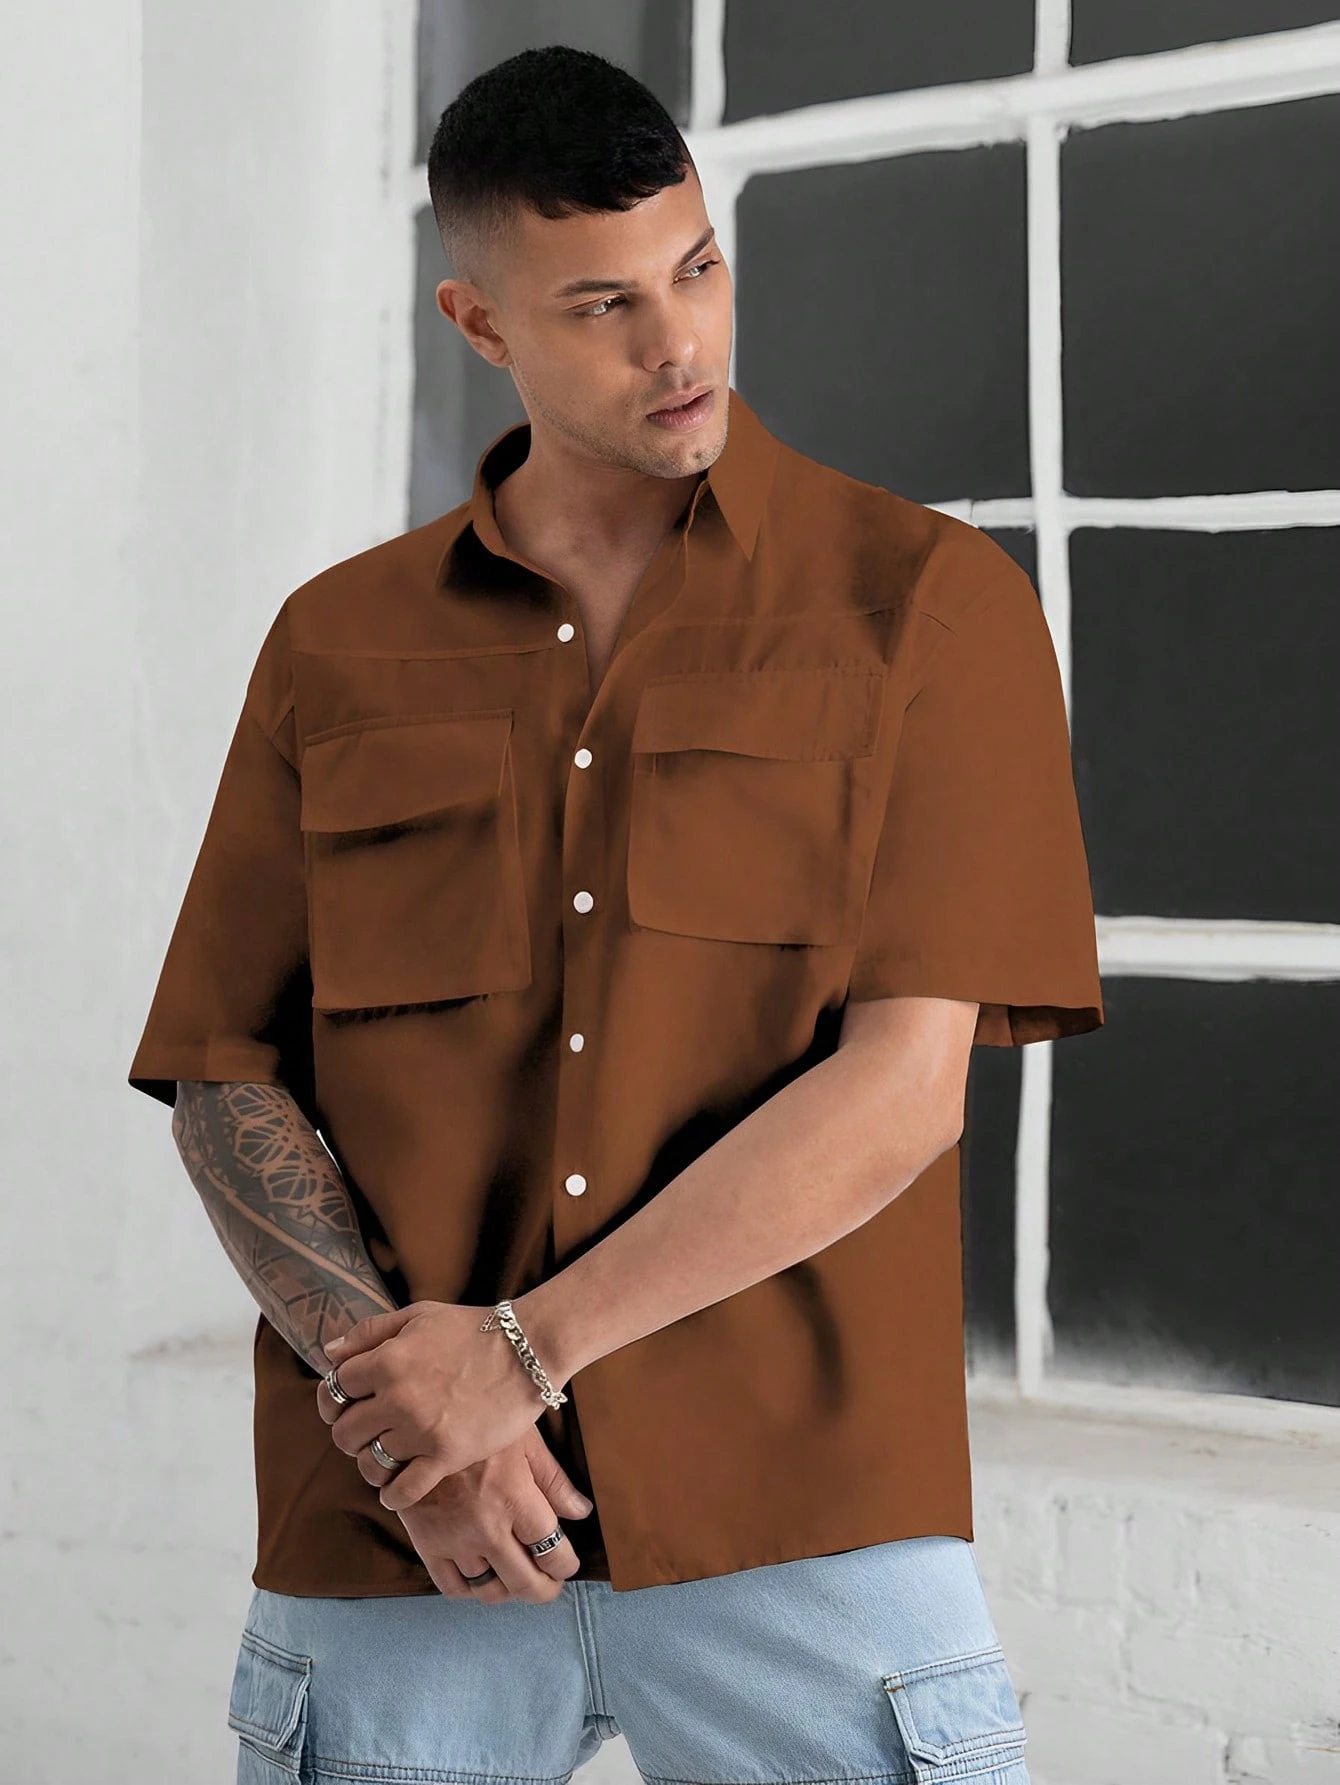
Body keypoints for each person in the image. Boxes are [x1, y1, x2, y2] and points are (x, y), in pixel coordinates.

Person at [128, 42, 1103, 1785]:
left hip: (804, 1522)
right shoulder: (336, 645)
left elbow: (904, 1087)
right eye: (602, 305)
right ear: (478, 323)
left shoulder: (927, 607)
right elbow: (223, 1073)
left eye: (697, 268)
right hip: (403, 1541)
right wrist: (413, 1422)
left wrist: (519, 1358)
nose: (680, 344)